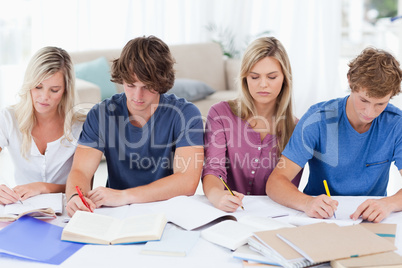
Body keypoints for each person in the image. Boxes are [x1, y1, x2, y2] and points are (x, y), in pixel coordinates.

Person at [65, 36, 204, 216]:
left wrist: (125, 196)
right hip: (116, 212)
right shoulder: (101, 114)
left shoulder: (186, 114)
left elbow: (187, 182)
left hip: (168, 212)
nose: (137, 95)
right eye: (130, 85)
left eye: (147, 86)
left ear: (162, 83)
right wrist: (75, 196)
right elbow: (81, 171)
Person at [266, 47, 402, 223]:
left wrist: (389, 204)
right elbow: (276, 182)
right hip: (320, 217)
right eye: (364, 100)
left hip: (370, 221)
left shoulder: (396, 124)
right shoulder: (318, 119)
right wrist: (306, 202)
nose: (370, 112)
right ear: (350, 81)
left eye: (380, 104)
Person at [202, 37, 302, 212]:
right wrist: (218, 196)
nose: (263, 84)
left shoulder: (297, 129)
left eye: (272, 77)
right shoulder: (220, 114)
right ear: (244, 78)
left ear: (285, 78)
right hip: (229, 215)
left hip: (277, 217)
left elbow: (287, 185)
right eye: (254, 77)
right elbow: (213, 169)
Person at [0, 46, 85, 204]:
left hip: (67, 208)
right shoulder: (8, 118)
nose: (44, 97)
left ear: (66, 90)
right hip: (21, 208)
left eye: (54, 90)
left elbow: (84, 186)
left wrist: (42, 187)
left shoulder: (80, 125)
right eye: (38, 87)